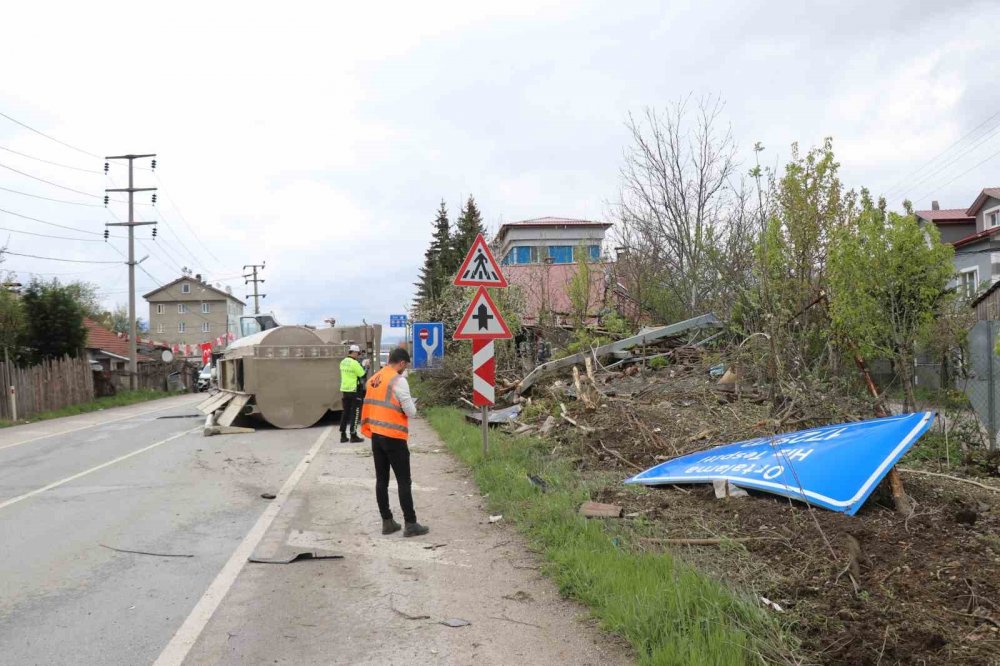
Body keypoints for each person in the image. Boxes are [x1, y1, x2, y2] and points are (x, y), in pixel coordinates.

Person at [360, 347, 429, 537]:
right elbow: (411, 412)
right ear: (401, 363)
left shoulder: (374, 378)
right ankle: (411, 523)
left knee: (381, 480)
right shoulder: (399, 381)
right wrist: (412, 405)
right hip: (393, 437)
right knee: (403, 481)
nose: (404, 369)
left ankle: (387, 521)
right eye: (405, 366)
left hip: (376, 436)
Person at [339, 344, 367, 443]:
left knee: (345, 412)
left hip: (345, 390)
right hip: (354, 391)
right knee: (355, 413)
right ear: (354, 353)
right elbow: (362, 374)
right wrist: (365, 366)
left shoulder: (342, 362)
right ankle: (353, 435)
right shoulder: (354, 363)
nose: (358, 355)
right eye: (357, 353)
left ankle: (343, 435)